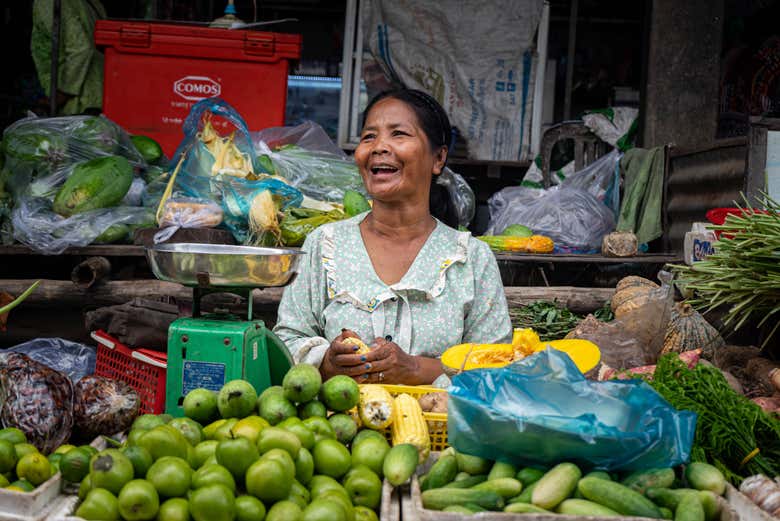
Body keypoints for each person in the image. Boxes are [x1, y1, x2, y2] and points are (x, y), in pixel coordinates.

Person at [273, 89, 512, 385]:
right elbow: (288, 339)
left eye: (398, 134)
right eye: (369, 136)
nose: (378, 147)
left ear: (438, 158)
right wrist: (326, 363)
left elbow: (496, 368)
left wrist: (416, 369)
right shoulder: (325, 245)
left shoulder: (472, 260)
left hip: (440, 427)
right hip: (335, 426)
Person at [31, 0, 107, 115]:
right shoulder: (92, 3)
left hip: (78, 103)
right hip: (101, 96)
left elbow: (81, 48)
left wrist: (62, 94)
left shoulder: (48, 2)